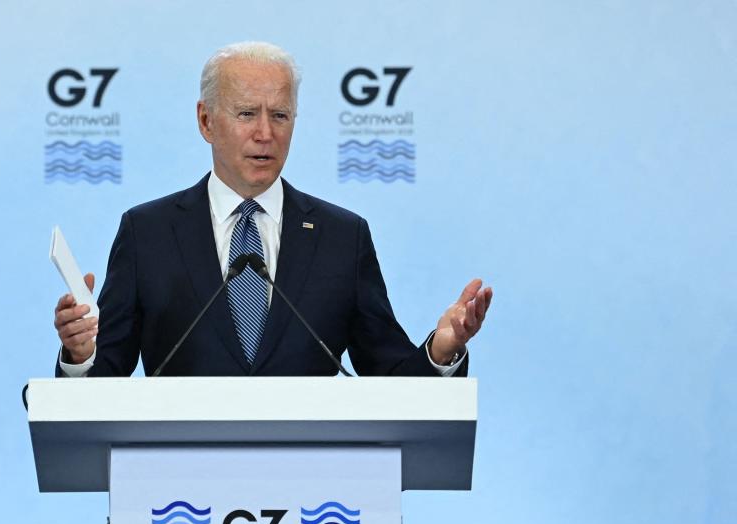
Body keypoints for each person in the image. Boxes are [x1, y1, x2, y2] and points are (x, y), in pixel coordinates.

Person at [53, 41, 492, 377]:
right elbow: (103, 378)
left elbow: (391, 377)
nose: (265, 133)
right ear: (206, 121)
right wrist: (80, 353)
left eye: (280, 116)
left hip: (313, 486)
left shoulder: (343, 237)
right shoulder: (146, 232)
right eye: (246, 114)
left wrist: (443, 349)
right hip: (176, 487)